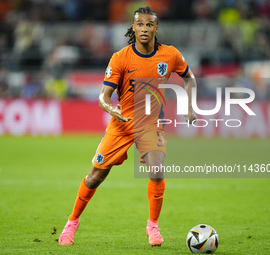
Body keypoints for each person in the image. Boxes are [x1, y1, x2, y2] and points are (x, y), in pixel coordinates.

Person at [58, 6, 197, 247]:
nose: (144, 28)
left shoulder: (170, 55)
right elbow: (104, 96)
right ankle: (71, 223)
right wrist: (110, 108)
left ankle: (153, 226)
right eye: (140, 24)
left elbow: (189, 77)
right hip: (121, 124)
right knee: (95, 177)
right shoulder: (120, 57)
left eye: (149, 24)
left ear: (156, 28)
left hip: (150, 122)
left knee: (156, 169)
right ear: (133, 28)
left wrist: (189, 105)